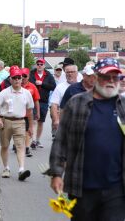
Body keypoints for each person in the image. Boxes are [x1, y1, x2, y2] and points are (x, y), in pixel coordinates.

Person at [49, 57, 125, 220]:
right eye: (106, 77)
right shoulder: (77, 103)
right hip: (81, 186)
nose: (111, 81)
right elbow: (61, 140)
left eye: (115, 77)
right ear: (96, 77)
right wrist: (56, 173)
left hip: (116, 189)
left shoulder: (123, 105)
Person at [0, 66, 34, 181]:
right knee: (5, 146)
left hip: (20, 122)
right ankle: (6, 168)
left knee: (20, 146)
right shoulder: (4, 93)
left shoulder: (26, 93)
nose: (16, 80)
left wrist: (30, 126)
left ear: (22, 79)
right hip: (6, 121)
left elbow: (30, 110)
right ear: (10, 79)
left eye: (18, 77)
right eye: (14, 78)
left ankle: (21, 169)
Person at [29, 58, 56, 148]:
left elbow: (53, 86)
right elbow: (29, 83)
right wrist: (36, 83)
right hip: (32, 101)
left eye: (41, 64)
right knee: (33, 121)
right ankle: (32, 140)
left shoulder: (48, 75)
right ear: (36, 65)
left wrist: (42, 83)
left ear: (44, 66)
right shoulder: (32, 73)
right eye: (38, 64)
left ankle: (37, 140)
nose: (39, 66)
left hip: (43, 101)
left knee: (40, 122)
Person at [50, 64, 78, 132]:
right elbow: (54, 104)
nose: (70, 74)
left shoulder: (82, 86)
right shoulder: (60, 87)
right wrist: (56, 120)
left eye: (72, 72)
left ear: (77, 73)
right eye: (68, 72)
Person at [21, 67, 40, 158]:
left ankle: (27, 147)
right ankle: (18, 145)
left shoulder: (32, 86)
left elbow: (36, 100)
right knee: (18, 131)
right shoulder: (16, 86)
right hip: (18, 113)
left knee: (28, 130)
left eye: (25, 76)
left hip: (28, 113)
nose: (23, 78)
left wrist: (38, 112)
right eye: (21, 76)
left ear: (28, 76)